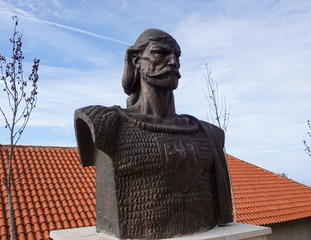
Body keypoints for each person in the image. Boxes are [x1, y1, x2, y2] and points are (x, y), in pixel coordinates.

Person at [74, 28, 232, 239]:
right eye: (161, 53)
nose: (173, 62)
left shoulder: (209, 133)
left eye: (177, 56)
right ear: (136, 60)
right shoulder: (105, 124)